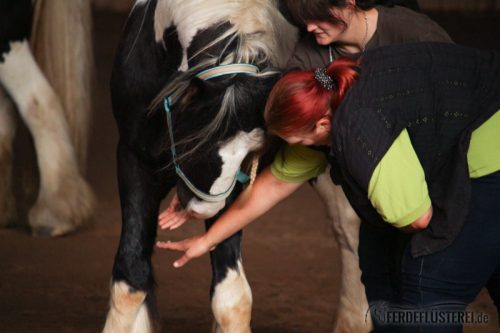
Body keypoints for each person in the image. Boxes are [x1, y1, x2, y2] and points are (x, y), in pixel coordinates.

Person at [159, 42, 500, 331]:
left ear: (321, 126)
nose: (285, 145)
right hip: (451, 140)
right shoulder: (328, 109)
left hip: (488, 150)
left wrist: (396, 208)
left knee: (425, 281)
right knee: (377, 258)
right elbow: (272, 185)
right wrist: (206, 240)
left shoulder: (359, 133)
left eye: (289, 139)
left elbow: (418, 218)